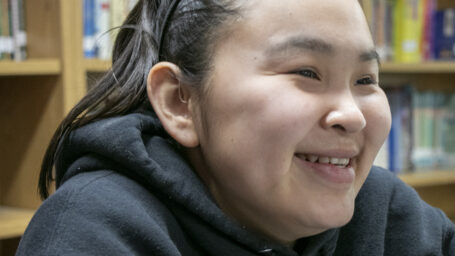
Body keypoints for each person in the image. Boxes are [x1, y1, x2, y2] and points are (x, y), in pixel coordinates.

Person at [16, 0, 454, 255]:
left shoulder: (382, 210)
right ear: (179, 102)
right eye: (305, 72)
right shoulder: (95, 230)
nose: (353, 115)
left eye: (366, 81)